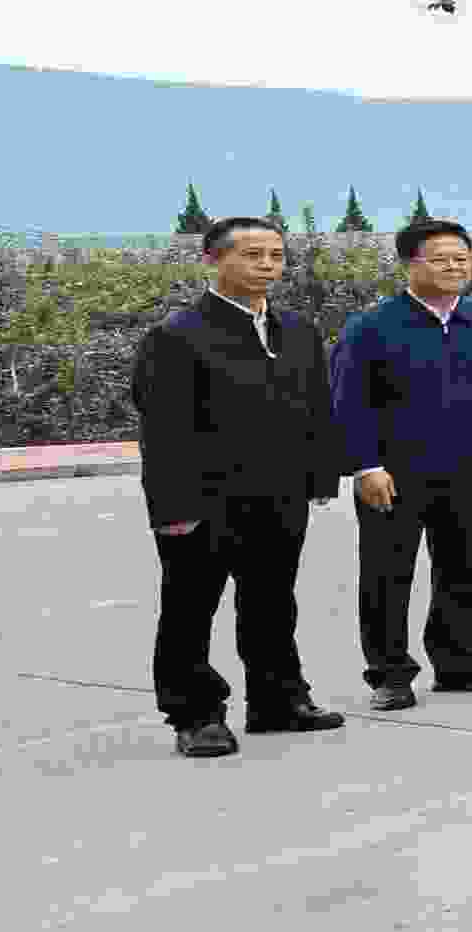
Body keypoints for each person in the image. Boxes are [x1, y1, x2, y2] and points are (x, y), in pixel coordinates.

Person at [134, 216, 346, 754]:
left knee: (272, 603)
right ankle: (195, 714)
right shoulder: (176, 336)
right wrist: (171, 508)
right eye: (252, 255)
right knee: (189, 611)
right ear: (213, 259)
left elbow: (316, 407)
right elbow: (162, 431)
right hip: (203, 500)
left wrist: (320, 474)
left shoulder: (297, 331)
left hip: (281, 494)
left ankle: (278, 700)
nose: (267, 266)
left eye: (275, 255)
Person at [332, 216, 472, 709]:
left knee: (460, 569)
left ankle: (458, 663)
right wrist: (365, 466)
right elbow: (349, 402)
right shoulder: (371, 326)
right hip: (393, 474)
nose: (454, 267)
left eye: (462, 258)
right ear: (410, 264)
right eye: (441, 259)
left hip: (466, 469)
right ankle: (389, 673)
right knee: (387, 574)